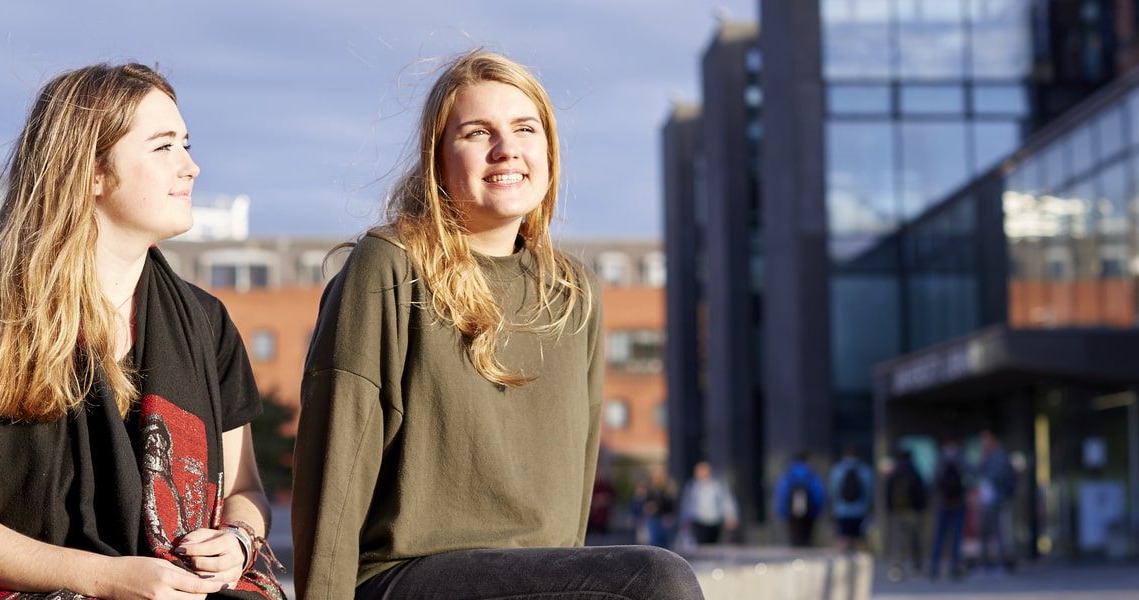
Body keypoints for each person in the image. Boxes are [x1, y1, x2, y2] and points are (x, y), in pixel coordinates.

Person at [290, 49, 704, 600]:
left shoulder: (574, 292)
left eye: (525, 128)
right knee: (658, 581)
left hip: (534, 581)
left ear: (549, 151)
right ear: (438, 158)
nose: (507, 149)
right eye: (477, 133)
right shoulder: (390, 265)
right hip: (406, 575)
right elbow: (334, 472)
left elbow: (575, 490)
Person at [0, 63, 284, 599]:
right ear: (92, 173)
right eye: (163, 147)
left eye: (187, 144)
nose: (192, 167)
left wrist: (239, 540)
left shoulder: (206, 322)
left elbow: (245, 490)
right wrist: (106, 578)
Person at [881, 449, 928, 582]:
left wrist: (890, 509)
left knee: (898, 542)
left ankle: (897, 569)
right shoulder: (914, 470)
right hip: (912, 512)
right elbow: (921, 491)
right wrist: (920, 508)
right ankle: (916, 566)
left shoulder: (895, 472)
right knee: (914, 540)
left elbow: (888, 491)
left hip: (897, 512)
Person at [927, 437, 969, 581]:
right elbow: (970, 477)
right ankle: (954, 567)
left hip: (944, 502)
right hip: (958, 502)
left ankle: (934, 567)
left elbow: (934, 480)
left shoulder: (939, 459)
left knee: (939, 536)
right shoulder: (962, 458)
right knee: (956, 537)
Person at [975, 430, 1017, 574]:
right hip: (987, 499)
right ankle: (985, 564)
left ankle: (1002, 563)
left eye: (985, 440)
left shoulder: (1000, 455)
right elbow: (977, 472)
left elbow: (997, 475)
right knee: (984, 532)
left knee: (999, 533)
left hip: (997, 498)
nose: (983, 444)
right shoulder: (987, 455)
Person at [679, 461, 739, 546]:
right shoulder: (692, 485)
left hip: (715, 520)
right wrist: (684, 520)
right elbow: (686, 504)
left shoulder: (718, 484)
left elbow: (726, 500)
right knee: (701, 544)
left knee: (714, 544)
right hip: (698, 519)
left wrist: (731, 516)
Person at [773, 452, 826, 547]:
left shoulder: (787, 474)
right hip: (810, 513)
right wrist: (817, 511)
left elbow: (781, 495)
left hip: (791, 514)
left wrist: (782, 512)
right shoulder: (812, 474)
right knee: (807, 540)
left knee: (794, 539)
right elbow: (819, 494)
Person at [829, 447, 873, 553]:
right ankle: (861, 566)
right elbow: (869, 492)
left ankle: (839, 565)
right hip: (860, 511)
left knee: (842, 538)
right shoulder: (865, 470)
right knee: (859, 539)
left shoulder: (837, 469)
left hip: (841, 510)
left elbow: (833, 490)